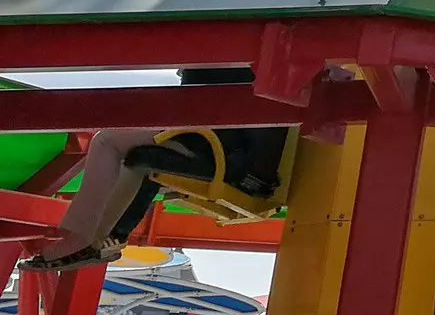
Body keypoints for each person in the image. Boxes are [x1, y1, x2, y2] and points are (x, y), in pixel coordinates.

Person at [23, 68, 289, 271]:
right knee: (135, 157)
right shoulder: (250, 64)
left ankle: (81, 238)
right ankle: (97, 240)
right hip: (225, 148)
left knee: (107, 142)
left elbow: (193, 104)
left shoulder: (220, 61)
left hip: (213, 145)